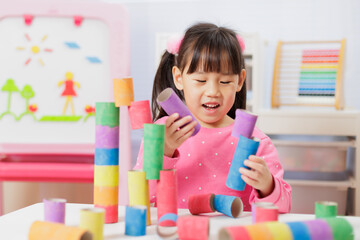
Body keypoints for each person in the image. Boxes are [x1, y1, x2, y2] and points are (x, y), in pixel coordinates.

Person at [134, 22, 291, 213]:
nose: (213, 92)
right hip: (175, 230)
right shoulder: (161, 132)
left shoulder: (256, 141)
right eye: (201, 80)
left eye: (224, 81)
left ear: (239, 81)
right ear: (178, 78)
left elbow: (283, 207)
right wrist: (164, 151)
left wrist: (267, 185)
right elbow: (140, 197)